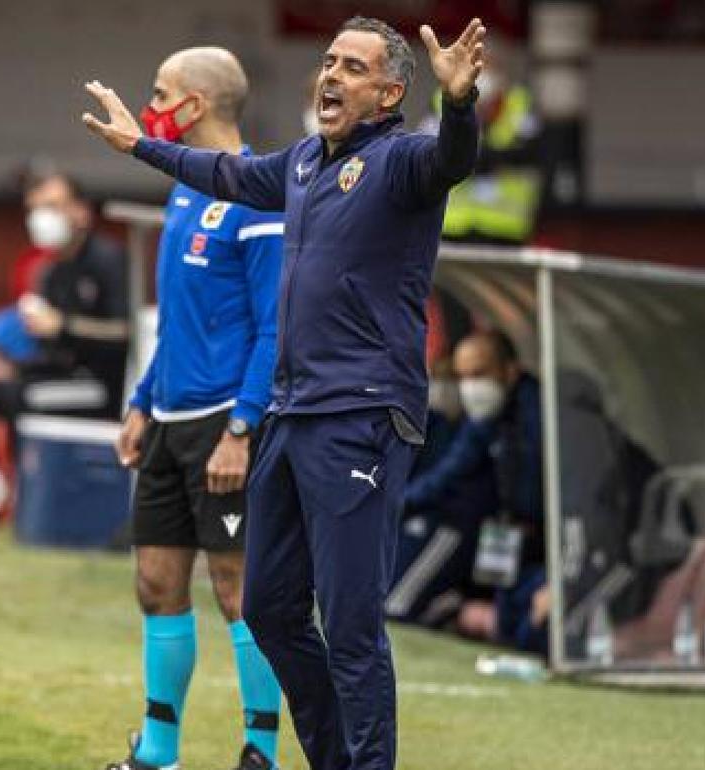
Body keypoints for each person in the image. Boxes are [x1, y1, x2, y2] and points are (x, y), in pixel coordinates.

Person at [83, 15, 484, 770]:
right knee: (267, 608)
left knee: (352, 622)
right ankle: (334, 759)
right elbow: (228, 175)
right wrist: (141, 146)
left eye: (353, 68)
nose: (332, 76)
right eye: (329, 62)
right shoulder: (302, 164)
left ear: (390, 91)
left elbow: (452, 160)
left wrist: (460, 104)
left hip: (362, 414)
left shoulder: (400, 162)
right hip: (292, 414)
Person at [108, 47, 283, 770]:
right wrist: (144, 400)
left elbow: (276, 328)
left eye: (159, 92)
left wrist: (242, 426)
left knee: (238, 590)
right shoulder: (182, 188)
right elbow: (178, 319)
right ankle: (157, 752)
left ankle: (261, 752)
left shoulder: (259, 196)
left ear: (197, 104)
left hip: (225, 424)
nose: (151, 105)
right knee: (155, 583)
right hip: (170, 422)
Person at [0, 171, 128, 461]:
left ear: (80, 211)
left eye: (51, 206)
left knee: (18, 398)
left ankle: (29, 489)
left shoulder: (109, 260)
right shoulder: (51, 272)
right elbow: (51, 348)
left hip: (102, 385)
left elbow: (126, 331)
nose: (40, 217)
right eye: (34, 210)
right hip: (61, 376)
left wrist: (64, 326)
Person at [404, 331, 547, 654]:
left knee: (532, 632)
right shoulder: (484, 421)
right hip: (511, 536)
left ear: (510, 371)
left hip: (550, 548)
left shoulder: (541, 417)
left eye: (479, 374)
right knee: (508, 632)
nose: (470, 386)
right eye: (463, 376)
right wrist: (391, 509)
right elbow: (448, 475)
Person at [385, 355, 496, 627]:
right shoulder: (431, 421)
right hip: (422, 514)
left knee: (394, 605)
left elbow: (446, 477)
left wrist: (398, 505)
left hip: (453, 520)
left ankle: (449, 607)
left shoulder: (479, 426)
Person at [422, 51, 542, 244]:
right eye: (475, 67)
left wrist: (491, 157)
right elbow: (429, 149)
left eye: (488, 67)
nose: (481, 74)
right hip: (453, 225)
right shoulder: (441, 100)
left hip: (504, 227)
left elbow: (534, 152)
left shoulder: (520, 103)